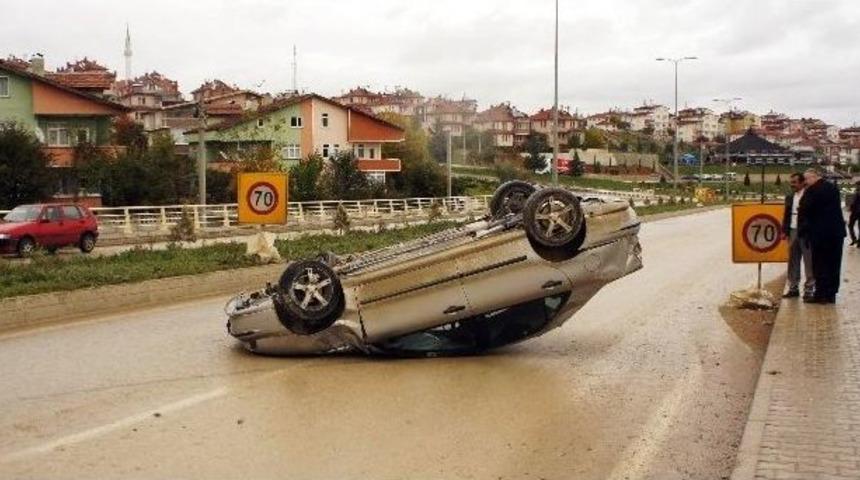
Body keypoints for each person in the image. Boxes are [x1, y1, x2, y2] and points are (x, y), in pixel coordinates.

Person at [798, 169, 846, 304]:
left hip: (820, 234)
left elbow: (805, 208)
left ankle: (821, 294)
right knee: (834, 264)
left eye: (806, 179)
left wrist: (803, 231)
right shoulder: (832, 188)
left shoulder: (812, 191)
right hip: (836, 233)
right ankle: (831, 294)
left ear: (814, 177)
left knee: (820, 264)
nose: (805, 183)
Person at [781, 173, 814, 299]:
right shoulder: (790, 197)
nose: (792, 184)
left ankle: (809, 289)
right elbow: (786, 214)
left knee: (809, 260)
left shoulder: (810, 195)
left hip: (806, 232)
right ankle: (793, 287)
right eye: (791, 182)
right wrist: (784, 230)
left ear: (802, 183)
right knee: (793, 261)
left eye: (795, 182)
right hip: (792, 231)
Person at [849, 181, 860, 248]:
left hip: (855, 212)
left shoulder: (857, 192)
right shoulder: (857, 191)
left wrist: (851, 207)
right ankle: (857, 241)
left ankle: (854, 239)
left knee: (850, 226)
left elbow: (854, 202)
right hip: (856, 211)